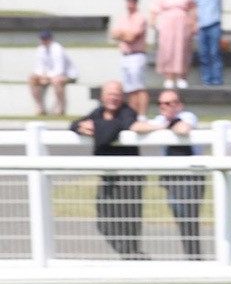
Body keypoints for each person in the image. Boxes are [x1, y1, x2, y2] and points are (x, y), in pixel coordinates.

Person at [71, 81, 144, 260]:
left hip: (129, 177)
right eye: (110, 94)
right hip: (108, 177)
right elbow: (75, 124)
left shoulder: (128, 112)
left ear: (123, 97)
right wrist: (81, 127)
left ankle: (132, 258)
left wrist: (96, 127)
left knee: (129, 222)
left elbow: (109, 133)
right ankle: (131, 255)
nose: (113, 97)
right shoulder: (98, 112)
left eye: (117, 94)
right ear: (102, 97)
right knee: (104, 221)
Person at [134, 87, 203, 259]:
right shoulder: (160, 120)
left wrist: (162, 125)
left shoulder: (188, 116)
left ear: (179, 105)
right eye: (162, 103)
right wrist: (161, 125)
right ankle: (193, 256)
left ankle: (194, 257)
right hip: (171, 176)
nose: (165, 107)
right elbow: (137, 126)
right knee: (180, 216)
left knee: (188, 217)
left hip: (190, 175)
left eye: (169, 103)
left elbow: (183, 129)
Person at [151, 0, 196, 90]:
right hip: (167, 26)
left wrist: (194, 24)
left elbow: (193, 9)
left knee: (182, 50)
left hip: (182, 26)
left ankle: (182, 77)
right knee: (168, 50)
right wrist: (153, 20)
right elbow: (155, 8)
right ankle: (169, 77)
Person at [110, 0, 150, 116]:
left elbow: (131, 37)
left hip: (136, 55)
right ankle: (133, 114)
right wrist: (124, 35)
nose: (129, 5)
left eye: (132, 2)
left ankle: (142, 114)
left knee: (139, 88)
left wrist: (122, 35)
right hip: (125, 55)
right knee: (130, 89)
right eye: (128, 2)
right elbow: (114, 34)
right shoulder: (123, 18)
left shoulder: (140, 18)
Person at [28, 31, 78, 117]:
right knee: (32, 79)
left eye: (45, 39)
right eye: (42, 39)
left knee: (56, 81)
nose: (44, 41)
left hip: (69, 75)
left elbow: (59, 70)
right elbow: (39, 67)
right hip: (49, 76)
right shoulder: (40, 49)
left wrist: (46, 77)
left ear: (50, 39)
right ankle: (40, 108)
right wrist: (41, 76)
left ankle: (60, 107)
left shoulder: (57, 49)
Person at [193, 0, 228, 86]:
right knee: (204, 55)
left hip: (214, 25)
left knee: (214, 53)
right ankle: (206, 81)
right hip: (202, 27)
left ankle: (217, 80)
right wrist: (193, 24)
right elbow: (194, 8)